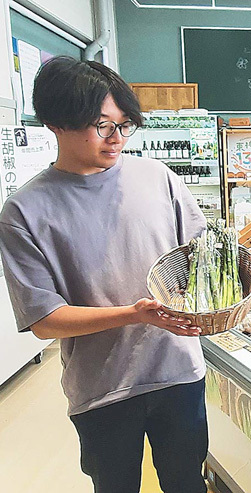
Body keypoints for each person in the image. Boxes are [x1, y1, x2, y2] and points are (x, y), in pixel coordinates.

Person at [0, 56, 208, 493]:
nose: (116, 138)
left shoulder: (157, 178)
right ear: (56, 124)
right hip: (102, 387)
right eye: (101, 125)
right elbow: (44, 321)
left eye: (124, 124)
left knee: (187, 482)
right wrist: (133, 314)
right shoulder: (24, 212)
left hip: (179, 373)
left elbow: (201, 255)